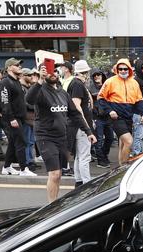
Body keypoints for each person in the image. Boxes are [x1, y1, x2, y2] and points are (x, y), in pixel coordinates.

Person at [26, 64, 95, 202]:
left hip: (62, 137)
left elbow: (75, 114)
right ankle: (51, 206)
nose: (53, 74)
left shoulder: (63, 93)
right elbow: (29, 99)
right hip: (45, 136)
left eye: (55, 71)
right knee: (55, 173)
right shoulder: (40, 90)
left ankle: (54, 203)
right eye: (48, 71)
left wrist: (88, 131)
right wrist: (40, 80)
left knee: (59, 174)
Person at [97, 58, 143, 165]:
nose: (123, 71)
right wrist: (109, 111)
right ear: (117, 69)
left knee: (123, 144)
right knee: (129, 141)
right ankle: (124, 167)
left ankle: (120, 167)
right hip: (115, 117)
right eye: (120, 69)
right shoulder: (110, 81)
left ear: (129, 69)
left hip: (128, 116)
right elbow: (100, 98)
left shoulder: (134, 82)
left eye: (125, 69)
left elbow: (139, 100)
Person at [0, 58, 32, 176]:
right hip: (12, 118)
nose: (19, 66)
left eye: (19, 65)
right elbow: (4, 102)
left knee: (13, 143)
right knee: (21, 142)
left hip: (20, 117)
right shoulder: (5, 82)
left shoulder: (16, 81)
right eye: (16, 65)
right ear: (9, 68)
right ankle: (24, 169)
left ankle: (7, 167)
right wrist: (12, 119)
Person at [67, 59, 95, 185]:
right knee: (84, 156)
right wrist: (85, 125)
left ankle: (79, 181)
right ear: (85, 72)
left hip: (77, 125)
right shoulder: (77, 84)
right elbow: (76, 105)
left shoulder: (76, 83)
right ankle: (86, 183)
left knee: (80, 155)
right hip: (81, 126)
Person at [88, 67, 113, 168]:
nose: (97, 77)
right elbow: (89, 103)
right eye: (95, 75)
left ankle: (104, 156)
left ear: (102, 75)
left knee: (110, 138)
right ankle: (101, 160)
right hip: (96, 117)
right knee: (98, 140)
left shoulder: (107, 86)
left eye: (98, 74)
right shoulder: (90, 88)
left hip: (107, 116)